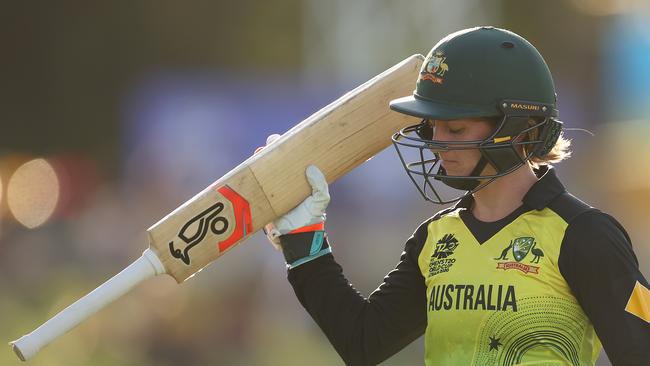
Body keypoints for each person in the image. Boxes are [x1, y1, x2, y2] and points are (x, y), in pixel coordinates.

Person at [263, 26, 650, 366]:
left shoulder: (584, 236)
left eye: (457, 128)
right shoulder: (435, 239)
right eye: (432, 128)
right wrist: (304, 242)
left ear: (520, 128)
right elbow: (363, 342)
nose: (437, 144)